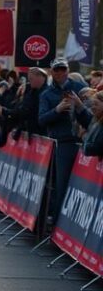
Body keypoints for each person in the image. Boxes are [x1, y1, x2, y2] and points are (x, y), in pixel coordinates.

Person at [38, 58, 91, 224]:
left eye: (63, 69)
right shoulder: (47, 93)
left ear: (68, 71)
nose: (60, 73)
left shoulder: (80, 89)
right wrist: (57, 110)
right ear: (51, 72)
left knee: (82, 188)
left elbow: (91, 120)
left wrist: (80, 106)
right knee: (61, 186)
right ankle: (58, 226)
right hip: (61, 144)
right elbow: (41, 120)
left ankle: (75, 227)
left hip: (82, 144)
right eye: (57, 70)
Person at [82, 90, 103, 158]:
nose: (92, 107)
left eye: (96, 104)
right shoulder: (96, 121)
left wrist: (84, 136)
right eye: (92, 105)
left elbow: (93, 148)